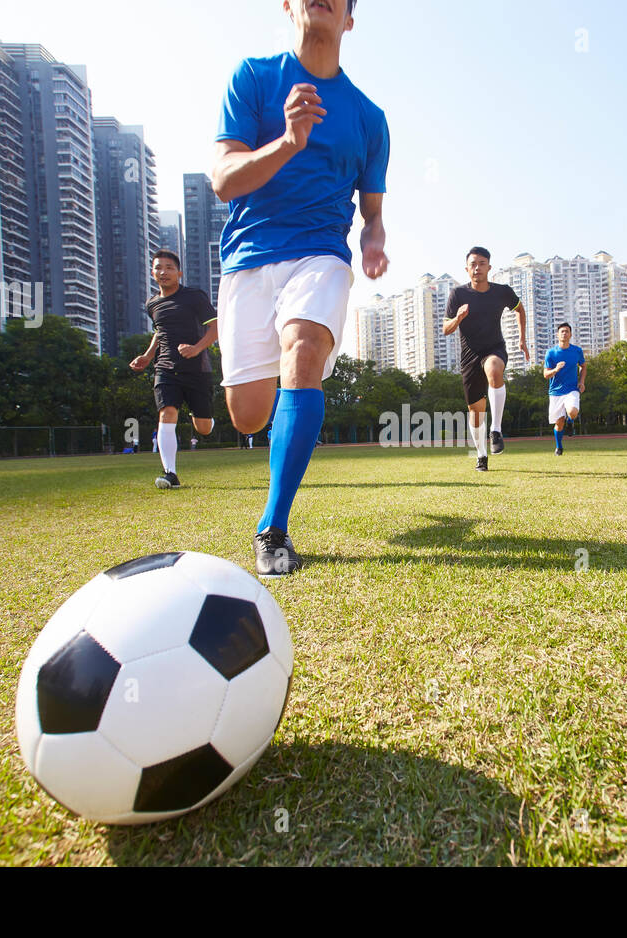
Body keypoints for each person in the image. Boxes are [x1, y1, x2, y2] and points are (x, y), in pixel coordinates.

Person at [182, 0, 389, 577]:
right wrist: (289, 142)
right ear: (288, 6)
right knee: (247, 415)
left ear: (350, 17)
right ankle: (276, 423)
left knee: (304, 350)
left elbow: (371, 214)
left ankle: (273, 527)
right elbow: (224, 181)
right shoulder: (252, 78)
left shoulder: (369, 118)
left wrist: (373, 239)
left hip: (322, 253)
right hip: (249, 258)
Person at [130, 250, 217, 489]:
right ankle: (171, 474)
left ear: (179, 272)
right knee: (166, 412)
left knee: (204, 428)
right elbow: (160, 331)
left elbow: (215, 328)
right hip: (166, 368)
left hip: (197, 369)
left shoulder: (194, 297)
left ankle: (201, 415)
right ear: (152, 272)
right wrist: (148, 356)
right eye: (158, 267)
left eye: (169, 267)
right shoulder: (152, 303)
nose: (163, 272)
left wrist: (197, 348)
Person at [443, 246, 527, 471]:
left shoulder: (502, 292)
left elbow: (520, 310)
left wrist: (522, 339)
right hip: (469, 357)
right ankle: (481, 455)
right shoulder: (458, 295)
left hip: (494, 348)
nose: (477, 268)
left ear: (489, 267)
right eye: (473, 264)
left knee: (494, 370)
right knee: (475, 412)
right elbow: (445, 329)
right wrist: (458, 317)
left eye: (481, 263)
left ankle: (496, 430)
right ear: (466, 269)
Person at [543, 322, 585, 456]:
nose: (564, 333)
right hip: (555, 392)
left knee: (572, 411)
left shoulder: (577, 351)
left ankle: (571, 421)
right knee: (559, 423)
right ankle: (559, 447)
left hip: (572, 389)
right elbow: (545, 374)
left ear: (571, 334)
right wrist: (556, 369)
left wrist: (582, 382)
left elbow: (583, 366)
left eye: (567, 331)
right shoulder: (551, 353)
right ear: (557, 334)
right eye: (562, 331)